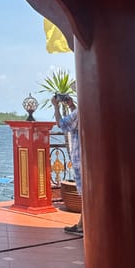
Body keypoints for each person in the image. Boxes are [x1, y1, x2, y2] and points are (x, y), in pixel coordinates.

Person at [52, 94, 83, 235]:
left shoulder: (82, 110)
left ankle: (83, 226)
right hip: (90, 157)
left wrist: (56, 106)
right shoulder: (87, 108)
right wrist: (71, 106)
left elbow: (61, 124)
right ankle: (82, 225)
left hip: (81, 157)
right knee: (87, 195)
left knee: (85, 195)